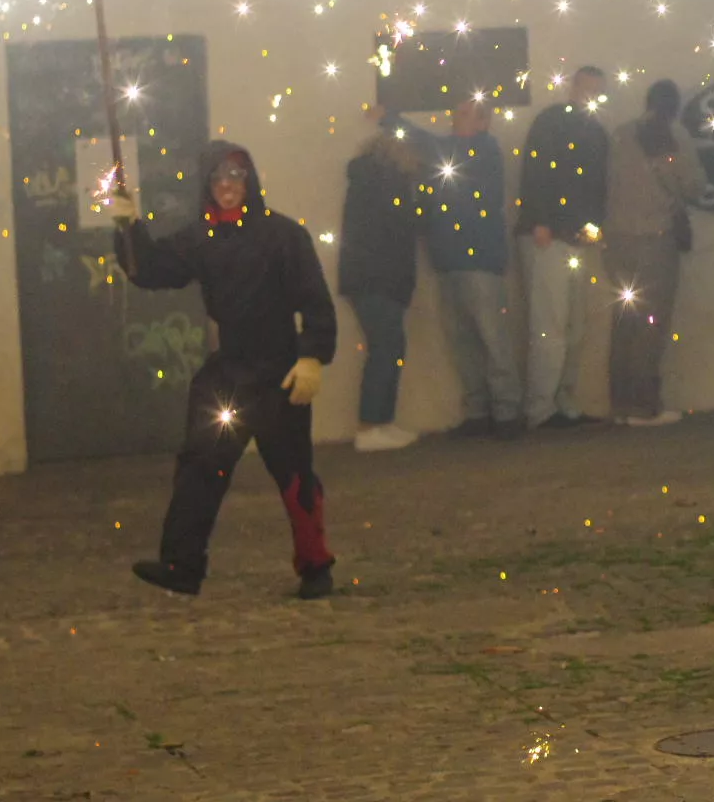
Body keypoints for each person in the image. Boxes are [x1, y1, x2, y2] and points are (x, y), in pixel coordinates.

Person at [112, 142, 338, 599]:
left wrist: (312, 356)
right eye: (218, 179)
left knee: (294, 475)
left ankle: (315, 565)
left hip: (279, 375)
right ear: (207, 186)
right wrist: (128, 226)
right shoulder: (201, 238)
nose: (227, 187)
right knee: (200, 466)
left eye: (235, 177)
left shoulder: (284, 236)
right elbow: (151, 270)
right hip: (229, 375)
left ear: (249, 181)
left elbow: (316, 302)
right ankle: (182, 564)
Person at [393, 97, 523, 441]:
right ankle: (479, 410)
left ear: (483, 123)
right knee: (462, 338)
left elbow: (430, 146)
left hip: (478, 257)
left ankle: (506, 411)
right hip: (449, 258)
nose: (455, 118)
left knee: (491, 336)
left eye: (464, 114)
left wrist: (391, 119)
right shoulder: (451, 152)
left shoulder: (484, 152)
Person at [604, 79, 706, 426]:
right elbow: (694, 186)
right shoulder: (674, 137)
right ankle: (645, 406)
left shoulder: (619, 135)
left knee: (624, 321)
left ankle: (619, 404)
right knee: (652, 324)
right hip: (655, 240)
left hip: (616, 242)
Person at [514, 65, 610, 428]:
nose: (590, 96)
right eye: (587, 88)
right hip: (550, 237)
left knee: (573, 327)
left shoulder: (592, 130)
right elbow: (536, 170)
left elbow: (596, 185)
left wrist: (594, 228)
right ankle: (541, 407)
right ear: (574, 87)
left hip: (572, 237)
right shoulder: (552, 122)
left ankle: (559, 400)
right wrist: (540, 221)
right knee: (551, 325)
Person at [338, 123, 424, 452]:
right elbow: (399, 228)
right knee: (386, 350)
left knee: (388, 349)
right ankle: (371, 425)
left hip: (367, 277)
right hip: (379, 279)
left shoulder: (367, 179)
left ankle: (380, 423)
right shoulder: (388, 182)